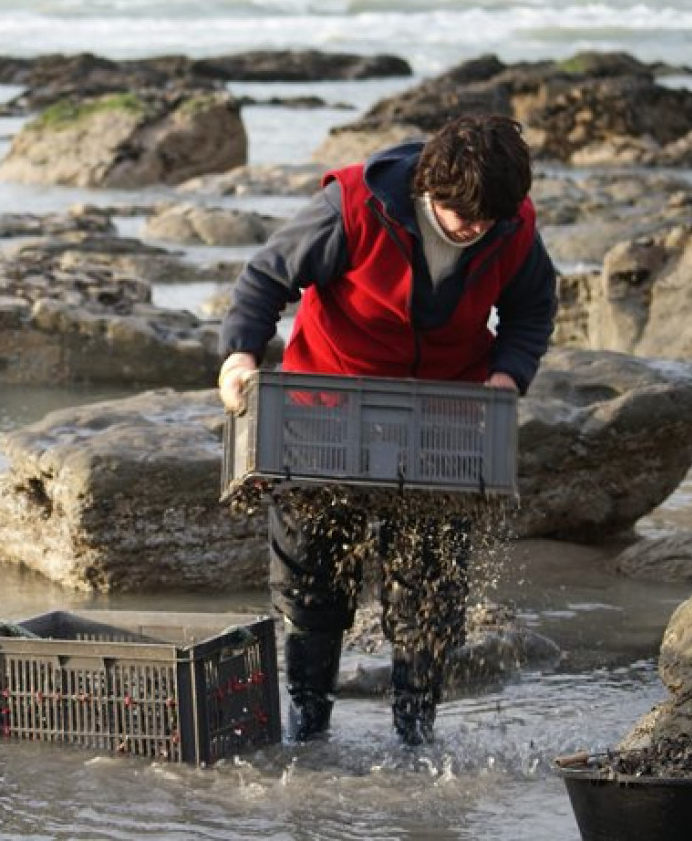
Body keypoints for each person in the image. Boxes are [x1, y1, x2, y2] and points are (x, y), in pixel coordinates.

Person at [217, 113, 557, 745]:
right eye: (464, 217)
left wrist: (509, 375)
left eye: (489, 220)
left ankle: (415, 731)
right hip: (325, 406)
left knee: (432, 585)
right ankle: (308, 726)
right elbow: (266, 277)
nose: (475, 229)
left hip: (443, 417)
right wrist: (240, 354)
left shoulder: (509, 226)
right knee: (311, 580)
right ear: (431, 186)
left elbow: (533, 309)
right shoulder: (352, 205)